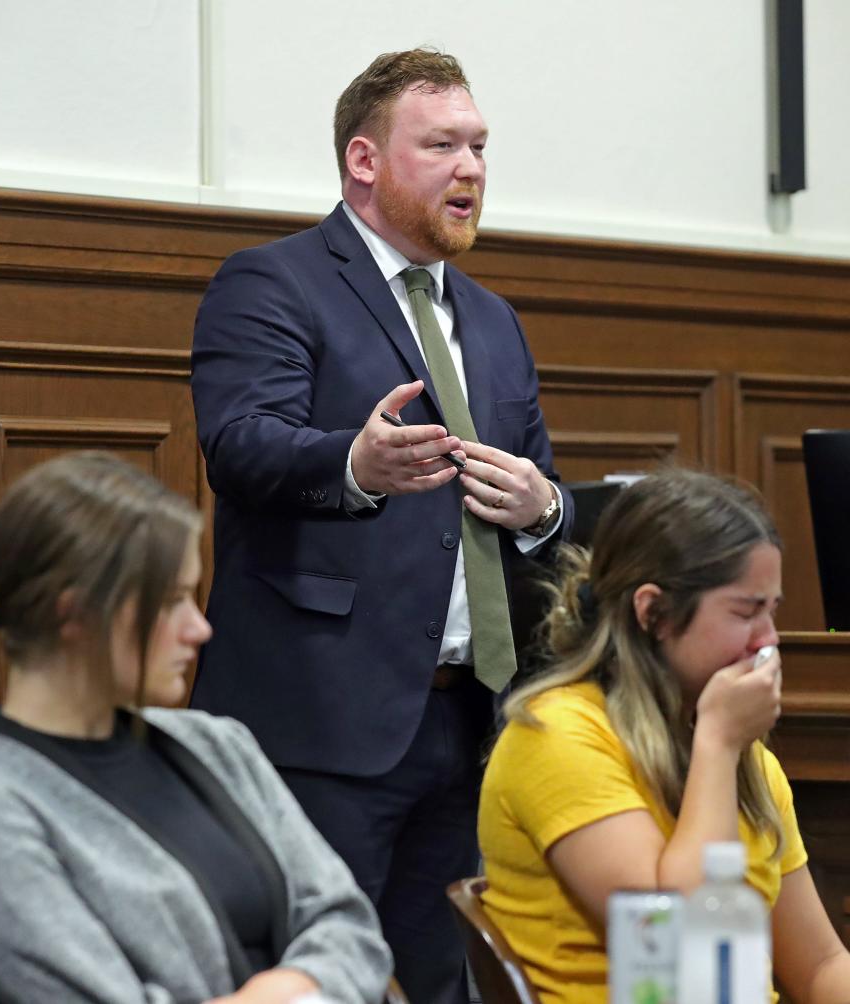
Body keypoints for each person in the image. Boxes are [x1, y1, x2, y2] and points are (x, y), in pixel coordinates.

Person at [188, 48, 572, 1003]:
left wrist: (544, 508)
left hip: (469, 717)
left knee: (446, 982)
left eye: (480, 146)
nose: (472, 168)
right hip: (324, 722)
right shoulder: (273, 282)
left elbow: (544, 487)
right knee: (315, 979)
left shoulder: (494, 321)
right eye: (441, 145)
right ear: (365, 161)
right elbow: (240, 446)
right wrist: (353, 465)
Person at [0, 452, 391, 1004]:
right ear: (74, 615)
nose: (200, 628)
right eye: (170, 603)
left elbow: (350, 924)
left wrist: (276, 990)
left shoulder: (217, 744)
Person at [478, 467, 850, 1003]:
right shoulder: (558, 735)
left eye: (773, 612)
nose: (768, 642)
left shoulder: (747, 761)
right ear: (653, 612)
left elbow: (819, 967)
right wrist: (719, 744)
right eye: (746, 612)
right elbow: (675, 948)